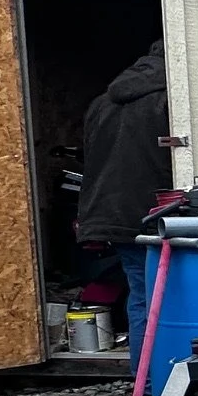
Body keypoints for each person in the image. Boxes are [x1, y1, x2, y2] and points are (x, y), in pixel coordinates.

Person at [78, 39, 172, 370]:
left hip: (113, 212)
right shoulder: (172, 99)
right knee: (168, 299)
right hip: (158, 213)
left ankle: (145, 384)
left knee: (142, 296)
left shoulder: (102, 103)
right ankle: (165, 382)